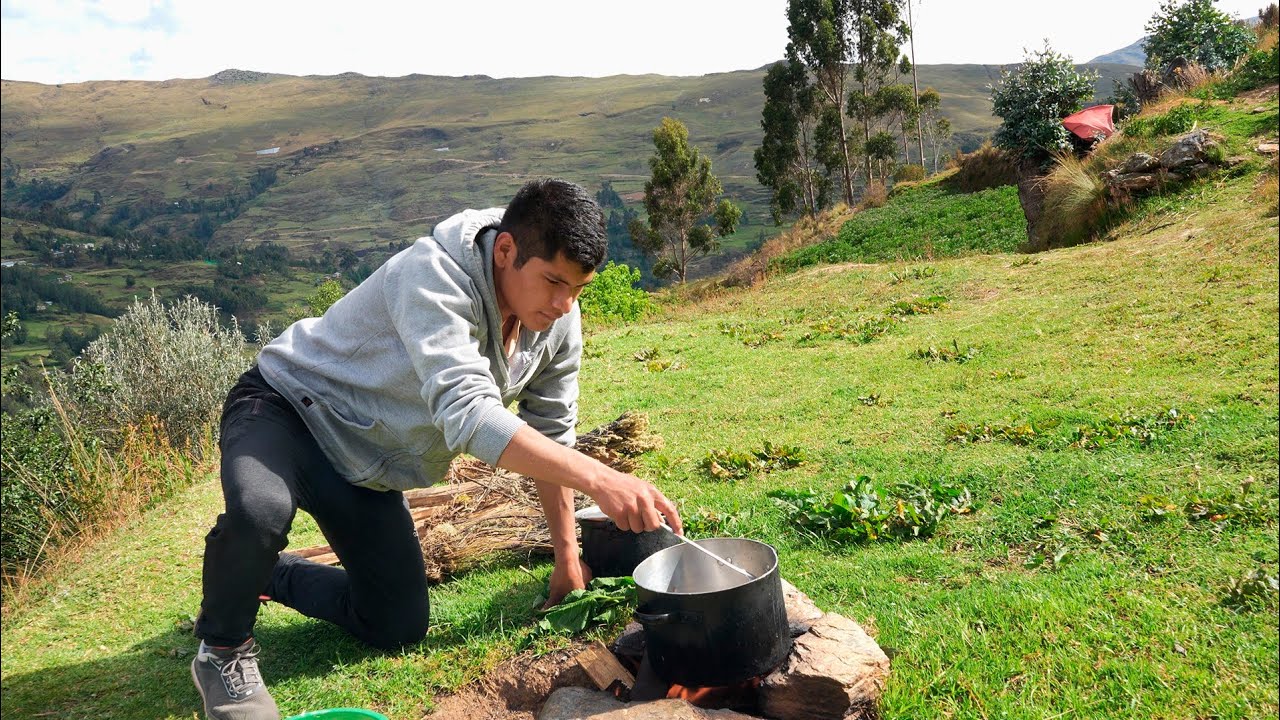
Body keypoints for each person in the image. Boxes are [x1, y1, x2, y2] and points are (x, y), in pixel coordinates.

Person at [190, 178, 683, 720]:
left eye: (578, 289)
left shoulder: (556, 323)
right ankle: (222, 650)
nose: (565, 305)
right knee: (260, 511)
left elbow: (553, 430)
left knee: (397, 624)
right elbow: (468, 415)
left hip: (366, 466)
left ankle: (263, 570)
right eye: (553, 282)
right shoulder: (430, 275)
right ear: (506, 251)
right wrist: (603, 479)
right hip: (285, 408)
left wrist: (568, 557)